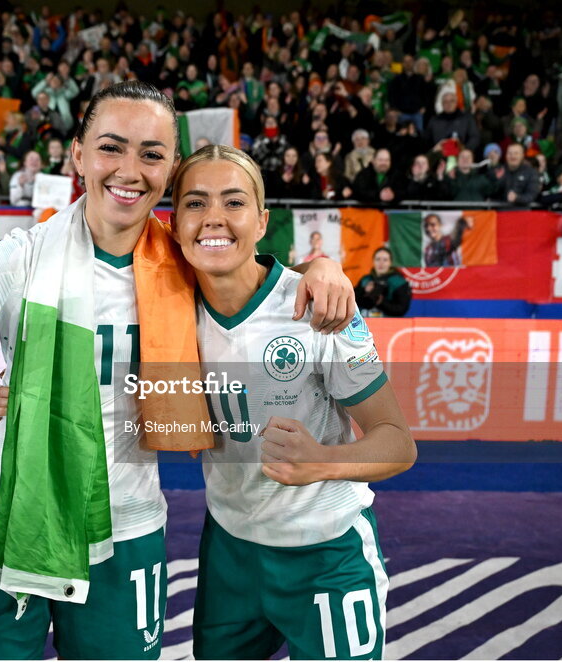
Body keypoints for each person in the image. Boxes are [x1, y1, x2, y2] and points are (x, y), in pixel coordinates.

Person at [0, 81, 355, 661]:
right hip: (9, 520)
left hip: (126, 533)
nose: (129, 170)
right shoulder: (21, 257)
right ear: (78, 156)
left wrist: (324, 266)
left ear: (171, 170)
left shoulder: (190, 263)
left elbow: (263, 280)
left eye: (152, 154)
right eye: (111, 147)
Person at [154, 145, 417, 659]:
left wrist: (324, 460)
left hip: (327, 551)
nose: (214, 219)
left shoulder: (319, 307)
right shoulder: (164, 306)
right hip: (229, 547)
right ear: (174, 221)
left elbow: (398, 444)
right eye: (195, 203)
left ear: (261, 221)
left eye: (234, 203)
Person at [354, 247, 412, 317]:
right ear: (373, 261)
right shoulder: (365, 280)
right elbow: (353, 302)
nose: (381, 263)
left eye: (385, 260)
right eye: (378, 259)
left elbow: (401, 309)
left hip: (389, 324)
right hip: (365, 323)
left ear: (390, 262)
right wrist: (364, 291)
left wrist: (381, 302)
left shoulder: (399, 282)